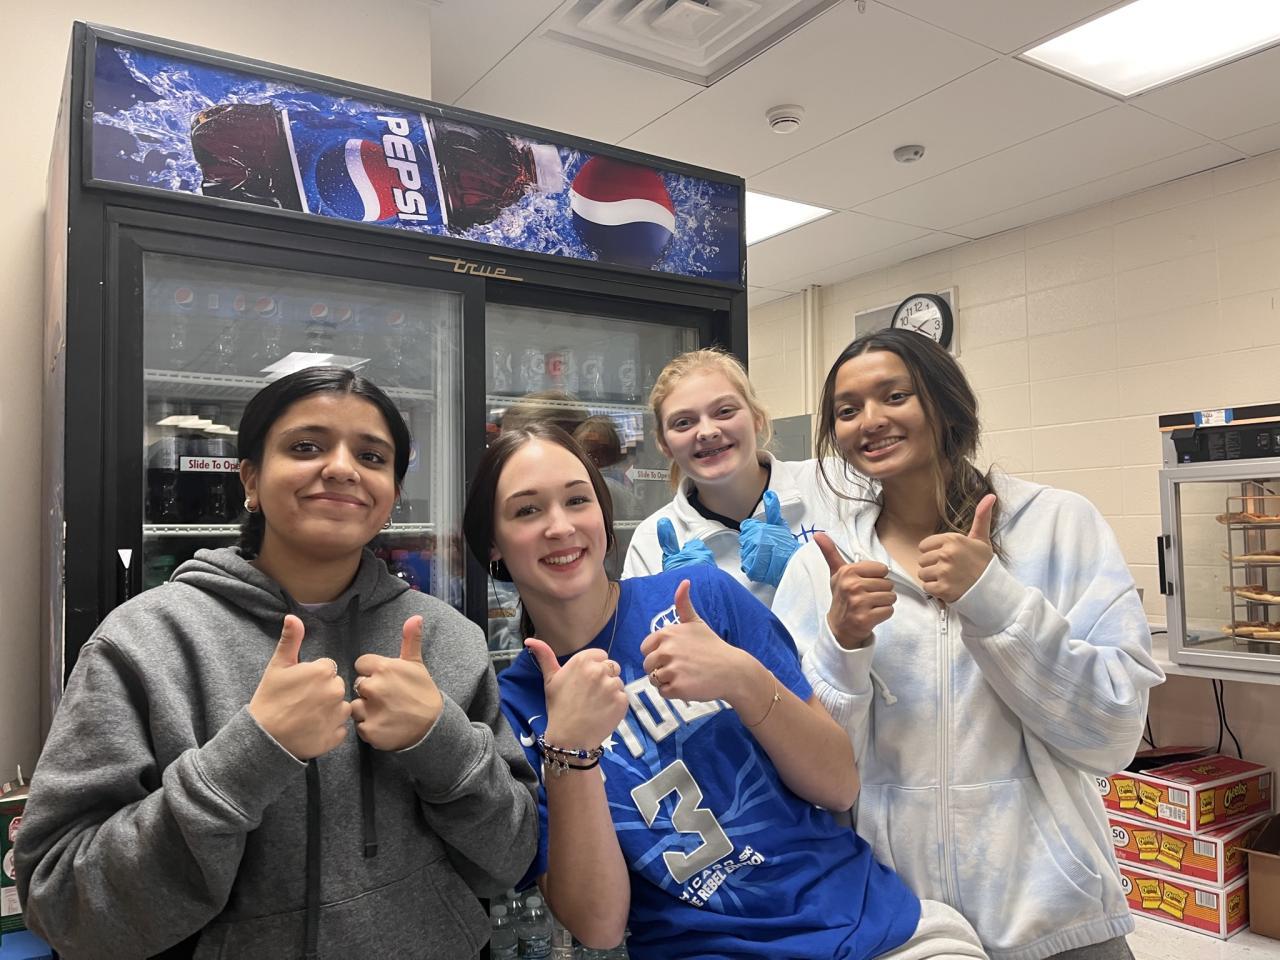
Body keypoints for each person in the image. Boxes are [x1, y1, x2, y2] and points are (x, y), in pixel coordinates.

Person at [16, 367, 538, 960]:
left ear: (392, 494)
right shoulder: (143, 643)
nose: (341, 468)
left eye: (371, 456)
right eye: (306, 447)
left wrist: (441, 744)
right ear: (251, 480)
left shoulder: (447, 640)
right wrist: (248, 759)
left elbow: (508, 861)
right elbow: (63, 908)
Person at [462, 421, 988, 960]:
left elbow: (839, 786)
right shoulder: (515, 711)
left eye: (577, 500)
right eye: (527, 511)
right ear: (493, 544)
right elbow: (599, 927)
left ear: (603, 516)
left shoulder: (702, 599)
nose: (560, 527)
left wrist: (742, 677)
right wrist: (571, 752)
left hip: (874, 928)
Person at [771, 329, 1165, 960]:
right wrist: (841, 645)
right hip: (902, 926)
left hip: (1056, 921)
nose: (870, 421)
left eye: (894, 395)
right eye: (847, 410)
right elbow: (815, 771)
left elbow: (1112, 734)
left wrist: (994, 601)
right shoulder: (822, 567)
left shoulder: (1058, 525)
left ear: (946, 402)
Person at [623, 347, 857, 607]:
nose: (707, 432)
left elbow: (888, 599)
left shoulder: (835, 482)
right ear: (664, 444)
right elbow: (643, 630)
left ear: (757, 418)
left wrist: (802, 573)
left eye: (724, 411)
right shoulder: (649, 543)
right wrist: (678, 608)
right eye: (683, 423)